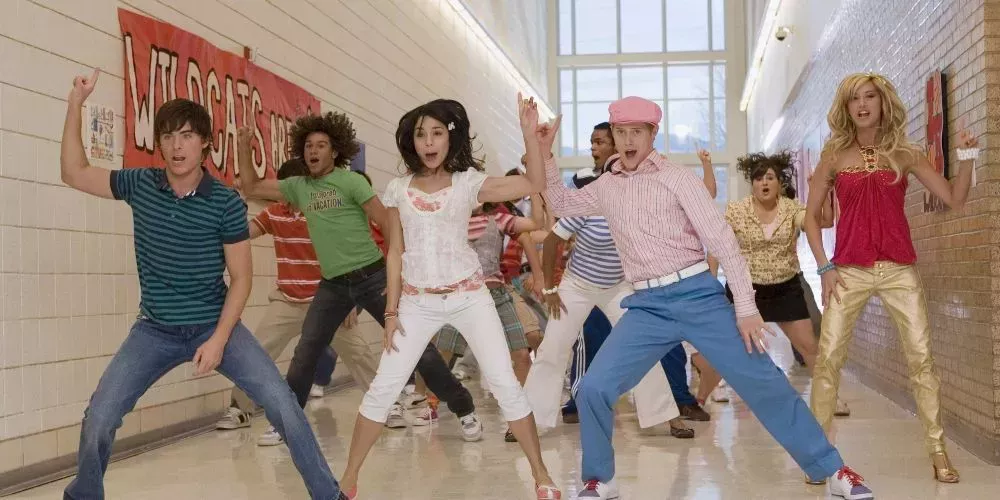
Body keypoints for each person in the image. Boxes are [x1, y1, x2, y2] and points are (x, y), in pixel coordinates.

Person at [544, 96, 874, 500]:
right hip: (646, 306)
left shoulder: (678, 178)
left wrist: (746, 309)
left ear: (652, 134)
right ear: (613, 135)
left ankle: (834, 470)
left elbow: (721, 240)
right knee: (594, 387)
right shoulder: (607, 187)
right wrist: (543, 152)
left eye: (637, 132)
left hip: (697, 294)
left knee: (763, 380)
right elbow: (559, 203)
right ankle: (600, 479)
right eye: (621, 132)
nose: (628, 141)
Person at [60, 69, 343, 499]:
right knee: (99, 416)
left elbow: (242, 279)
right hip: (154, 329)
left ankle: (329, 495)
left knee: (284, 406)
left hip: (214, 324)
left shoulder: (225, 202)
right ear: (159, 144)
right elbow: (74, 172)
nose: (177, 146)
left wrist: (218, 340)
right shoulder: (140, 184)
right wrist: (75, 105)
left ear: (206, 143)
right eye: (169, 136)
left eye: (188, 136)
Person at [338, 96, 561, 500]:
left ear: (450, 138)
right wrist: (390, 312)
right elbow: (394, 252)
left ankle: (541, 475)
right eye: (421, 134)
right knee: (383, 388)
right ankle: (347, 482)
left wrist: (529, 135)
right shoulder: (398, 190)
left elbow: (533, 184)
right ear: (411, 141)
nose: (428, 142)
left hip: (469, 296)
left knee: (505, 383)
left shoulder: (468, 183)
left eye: (437, 133)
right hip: (416, 302)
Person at [237, 111, 478, 441]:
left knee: (414, 346)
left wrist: (400, 272)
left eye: (321, 145)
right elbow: (251, 185)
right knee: (306, 350)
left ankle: (464, 409)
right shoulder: (298, 187)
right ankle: (286, 423)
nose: (313, 151)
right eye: (308, 145)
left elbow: (386, 222)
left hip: (372, 277)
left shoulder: (350, 182)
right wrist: (243, 147)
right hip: (333, 285)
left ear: (335, 151)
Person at [805, 72, 978, 483]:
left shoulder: (906, 153)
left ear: (883, 103)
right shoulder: (833, 155)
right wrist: (825, 268)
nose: (862, 105)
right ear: (846, 107)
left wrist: (969, 157)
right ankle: (817, 456)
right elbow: (810, 219)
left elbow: (954, 198)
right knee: (827, 360)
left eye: (870, 97)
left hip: (899, 271)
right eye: (854, 99)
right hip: (848, 271)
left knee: (922, 360)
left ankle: (937, 450)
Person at [526, 123, 691, 438]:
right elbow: (551, 241)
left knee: (642, 348)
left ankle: (667, 416)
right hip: (577, 285)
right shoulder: (591, 199)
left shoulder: (639, 206)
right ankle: (531, 420)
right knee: (553, 347)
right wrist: (549, 287)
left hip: (618, 287)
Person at [217, 158, 379, 444]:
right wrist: (236, 204)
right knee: (256, 352)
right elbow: (242, 234)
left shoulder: (322, 214)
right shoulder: (274, 213)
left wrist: (350, 299)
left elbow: (348, 254)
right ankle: (240, 408)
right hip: (287, 299)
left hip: (327, 299)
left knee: (358, 353)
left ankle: (385, 405)